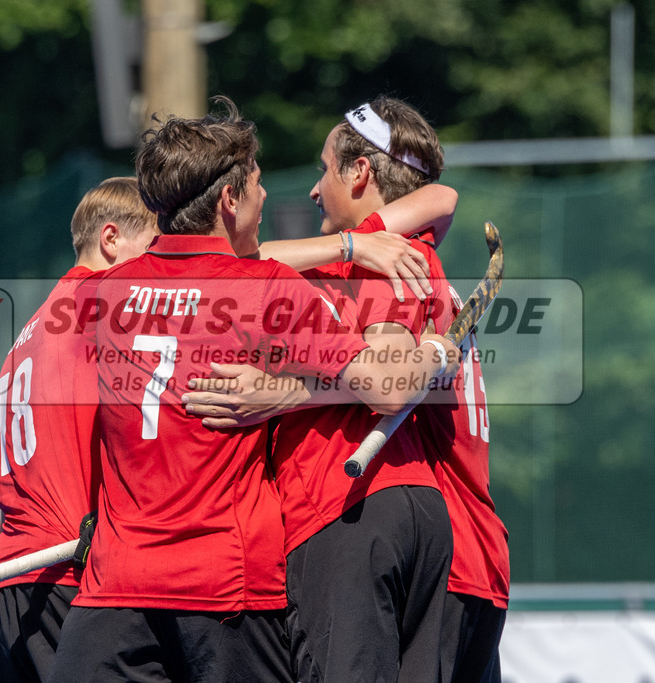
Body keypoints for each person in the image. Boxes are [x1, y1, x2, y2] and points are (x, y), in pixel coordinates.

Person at [49, 96, 459, 683]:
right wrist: (439, 352)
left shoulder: (99, 294)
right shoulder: (266, 288)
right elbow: (389, 387)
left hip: (115, 586)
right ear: (229, 198)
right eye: (259, 184)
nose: (271, 198)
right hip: (227, 586)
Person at [184, 97, 472, 682]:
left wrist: (285, 393)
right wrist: (350, 242)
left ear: (361, 173)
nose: (314, 190)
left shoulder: (386, 262)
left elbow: (388, 383)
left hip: (345, 507)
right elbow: (440, 196)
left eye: (324, 168)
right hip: (429, 516)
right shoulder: (391, 249)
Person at [0, 177, 159, 683]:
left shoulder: (34, 326)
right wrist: (351, 243)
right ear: (111, 239)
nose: (166, 264)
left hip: (7, 579)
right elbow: (222, 280)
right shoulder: (99, 301)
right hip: (61, 578)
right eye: (156, 247)